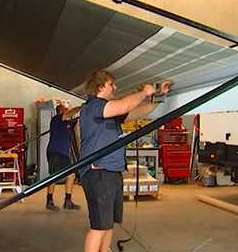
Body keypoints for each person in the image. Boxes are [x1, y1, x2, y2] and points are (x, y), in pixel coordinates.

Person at [78, 71, 171, 252]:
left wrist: (158, 97)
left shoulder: (109, 112)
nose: (116, 87)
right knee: (99, 225)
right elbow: (124, 105)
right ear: (100, 87)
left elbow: (135, 112)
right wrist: (145, 91)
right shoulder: (94, 106)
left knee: (108, 223)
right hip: (98, 172)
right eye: (111, 83)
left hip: (111, 172)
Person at [45, 100, 81, 212]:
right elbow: (70, 114)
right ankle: (49, 201)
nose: (65, 111)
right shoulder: (56, 120)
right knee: (54, 176)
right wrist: (82, 107)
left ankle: (68, 201)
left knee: (71, 175)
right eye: (63, 110)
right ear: (59, 111)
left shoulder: (67, 124)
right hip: (55, 151)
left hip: (64, 153)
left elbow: (78, 121)